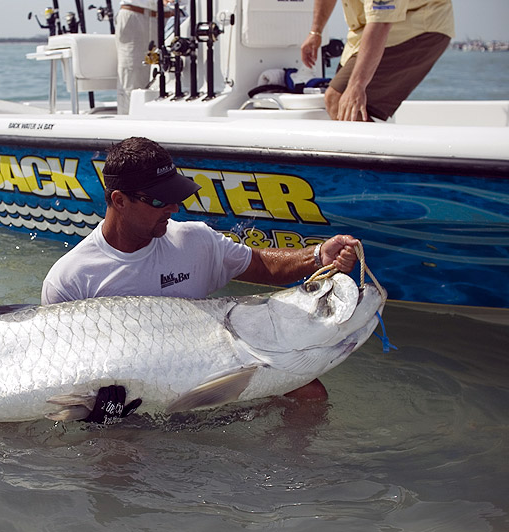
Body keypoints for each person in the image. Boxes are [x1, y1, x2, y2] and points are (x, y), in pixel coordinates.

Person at [41, 137, 362, 415]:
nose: (174, 208)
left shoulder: (195, 240)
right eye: (159, 200)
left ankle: (294, 480)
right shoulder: (71, 279)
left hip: (206, 370)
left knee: (309, 393)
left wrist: (318, 256)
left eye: (175, 195)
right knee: (119, 453)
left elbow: (262, 264)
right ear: (119, 201)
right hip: (132, 399)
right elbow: (57, 369)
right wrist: (97, 413)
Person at [300, 0, 454, 122]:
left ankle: (384, 160)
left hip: (419, 27)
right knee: (343, 101)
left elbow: (382, 23)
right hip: (368, 30)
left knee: (339, 97)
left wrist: (357, 85)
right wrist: (316, 32)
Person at [115, 0, 174, 114]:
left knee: (171, 80)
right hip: (136, 16)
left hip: (173, 19)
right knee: (132, 82)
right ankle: (129, 128)